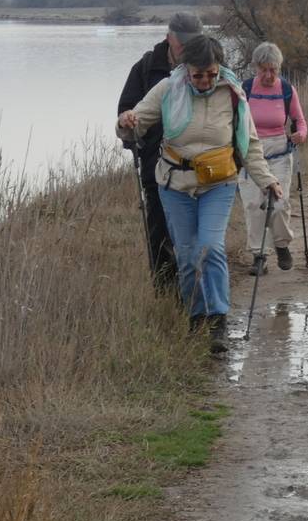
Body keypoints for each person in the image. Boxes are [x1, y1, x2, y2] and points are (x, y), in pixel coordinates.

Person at [117, 35, 282, 353]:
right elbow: (134, 125)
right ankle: (196, 318)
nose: (205, 81)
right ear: (185, 69)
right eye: (198, 75)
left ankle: (218, 320)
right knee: (190, 255)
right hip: (174, 185)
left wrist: (268, 181)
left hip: (218, 185)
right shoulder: (167, 89)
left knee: (210, 247)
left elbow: (250, 146)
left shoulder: (233, 94)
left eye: (210, 73)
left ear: (219, 69)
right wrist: (126, 123)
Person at [118, 12, 204, 288]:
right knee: (160, 232)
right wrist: (130, 128)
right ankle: (166, 293)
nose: (188, 51)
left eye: (193, 44)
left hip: (201, 166)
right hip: (155, 164)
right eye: (183, 45)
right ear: (169, 38)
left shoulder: (206, 67)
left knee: (196, 234)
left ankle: (197, 292)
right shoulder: (145, 68)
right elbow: (126, 110)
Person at [239, 42, 308, 275]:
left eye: (273, 70)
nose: (269, 75)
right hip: (250, 154)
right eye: (264, 70)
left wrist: (301, 134)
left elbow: (300, 120)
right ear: (256, 67)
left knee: (278, 204)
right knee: (253, 206)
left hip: (279, 153)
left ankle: (281, 246)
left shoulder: (286, 90)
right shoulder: (245, 89)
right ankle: (259, 256)